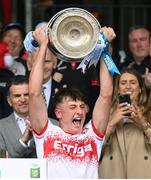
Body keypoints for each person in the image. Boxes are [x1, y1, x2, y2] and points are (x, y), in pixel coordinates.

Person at [28, 26, 115, 178]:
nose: (80, 111)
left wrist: (104, 47)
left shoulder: (92, 137)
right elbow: (34, 93)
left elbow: (106, 94)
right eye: (73, 107)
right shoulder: (47, 133)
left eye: (82, 107)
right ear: (58, 113)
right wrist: (43, 46)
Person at [99, 69, 151, 178]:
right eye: (123, 83)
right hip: (112, 172)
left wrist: (143, 124)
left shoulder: (149, 112)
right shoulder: (105, 113)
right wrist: (112, 122)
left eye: (133, 82)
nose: (128, 86)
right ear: (118, 89)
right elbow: (92, 148)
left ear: (140, 88)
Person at [0, 75, 36, 158]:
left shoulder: (54, 124)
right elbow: (2, 163)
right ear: (9, 100)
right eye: (17, 96)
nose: (23, 100)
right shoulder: (1, 127)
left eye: (26, 94)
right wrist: (23, 141)